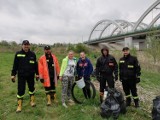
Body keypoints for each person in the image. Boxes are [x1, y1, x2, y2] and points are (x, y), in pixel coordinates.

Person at [11, 40, 39, 113]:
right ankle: (19, 106)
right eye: (25, 45)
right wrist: (13, 74)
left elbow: (35, 65)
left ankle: (32, 101)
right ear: (22, 45)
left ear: (29, 45)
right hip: (21, 75)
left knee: (31, 88)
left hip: (31, 75)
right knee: (21, 90)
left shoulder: (33, 54)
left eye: (27, 45)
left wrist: (37, 74)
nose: (26, 46)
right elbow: (15, 65)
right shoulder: (18, 54)